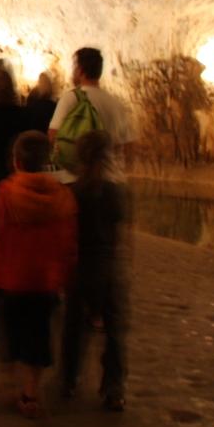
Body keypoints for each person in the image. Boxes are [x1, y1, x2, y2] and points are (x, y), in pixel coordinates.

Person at [0, 132, 77, 418]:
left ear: (16, 161)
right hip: (45, 281)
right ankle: (30, 394)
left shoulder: (6, 193)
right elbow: (68, 242)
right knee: (38, 334)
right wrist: (66, 276)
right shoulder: (63, 196)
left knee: (9, 332)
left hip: (11, 278)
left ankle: (11, 383)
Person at [60, 130, 131, 412]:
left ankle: (68, 380)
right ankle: (114, 389)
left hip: (79, 267)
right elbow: (121, 235)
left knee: (73, 329)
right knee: (114, 332)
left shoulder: (72, 191)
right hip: (107, 267)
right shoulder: (113, 192)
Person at [48, 48, 134, 178]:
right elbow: (128, 146)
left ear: (80, 70)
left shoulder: (71, 98)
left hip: (78, 178)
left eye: (74, 67)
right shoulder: (116, 103)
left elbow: (53, 135)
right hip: (110, 177)